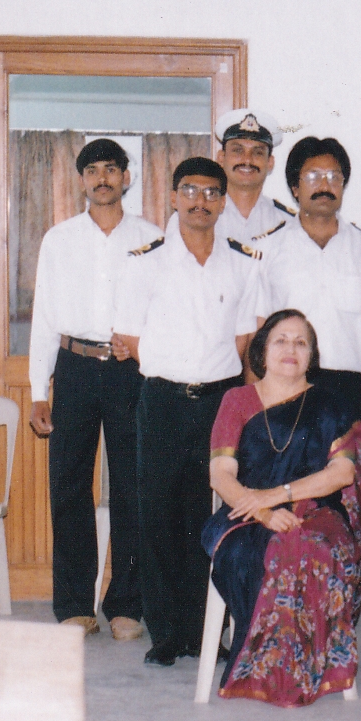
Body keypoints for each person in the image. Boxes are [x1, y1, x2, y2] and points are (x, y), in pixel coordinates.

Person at [113, 157, 263, 665]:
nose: (201, 201)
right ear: (174, 197)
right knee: (157, 515)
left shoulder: (244, 262)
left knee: (211, 514)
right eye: (190, 191)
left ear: (223, 202)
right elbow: (129, 337)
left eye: (211, 192)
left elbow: (246, 341)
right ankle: (167, 633)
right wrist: (176, 370)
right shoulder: (145, 262)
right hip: (161, 401)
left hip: (220, 403)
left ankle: (205, 631)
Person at [27, 138, 162, 640]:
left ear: (126, 177)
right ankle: (74, 606)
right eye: (92, 170)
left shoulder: (153, 238)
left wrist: (147, 350)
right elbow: (44, 317)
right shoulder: (59, 240)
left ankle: (126, 604)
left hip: (131, 371)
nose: (102, 178)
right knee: (69, 486)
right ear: (82, 180)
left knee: (132, 486)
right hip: (75, 368)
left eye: (111, 168)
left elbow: (164, 310)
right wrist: (39, 389)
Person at [202, 310, 361, 706]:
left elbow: (342, 473)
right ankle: (269, 668)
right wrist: (261, 512)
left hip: (317, 510)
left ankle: (303, 668)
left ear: (312, 355)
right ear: (262, 350)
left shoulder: (330, 404)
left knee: (312, 546)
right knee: (262, 550)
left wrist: (276, 495)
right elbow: (221, 476)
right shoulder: (236, 400)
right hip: (245, 513)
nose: (290, 349)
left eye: (300, 342)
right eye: (280, 340)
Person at [252, 136, 361, 422]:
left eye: (333, 177)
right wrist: (254, 404)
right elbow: (258, 330)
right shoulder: (268, 249)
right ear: (295, 187)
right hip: (285, 384)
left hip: (349, 389)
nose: (324, 186)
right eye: (313, 176)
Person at [170, 109, 292, 242]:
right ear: (221, 158)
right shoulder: (190, 218)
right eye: (238, 151)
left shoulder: (287, 222)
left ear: (270, 163)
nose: (247, 160)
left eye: (257, 152)